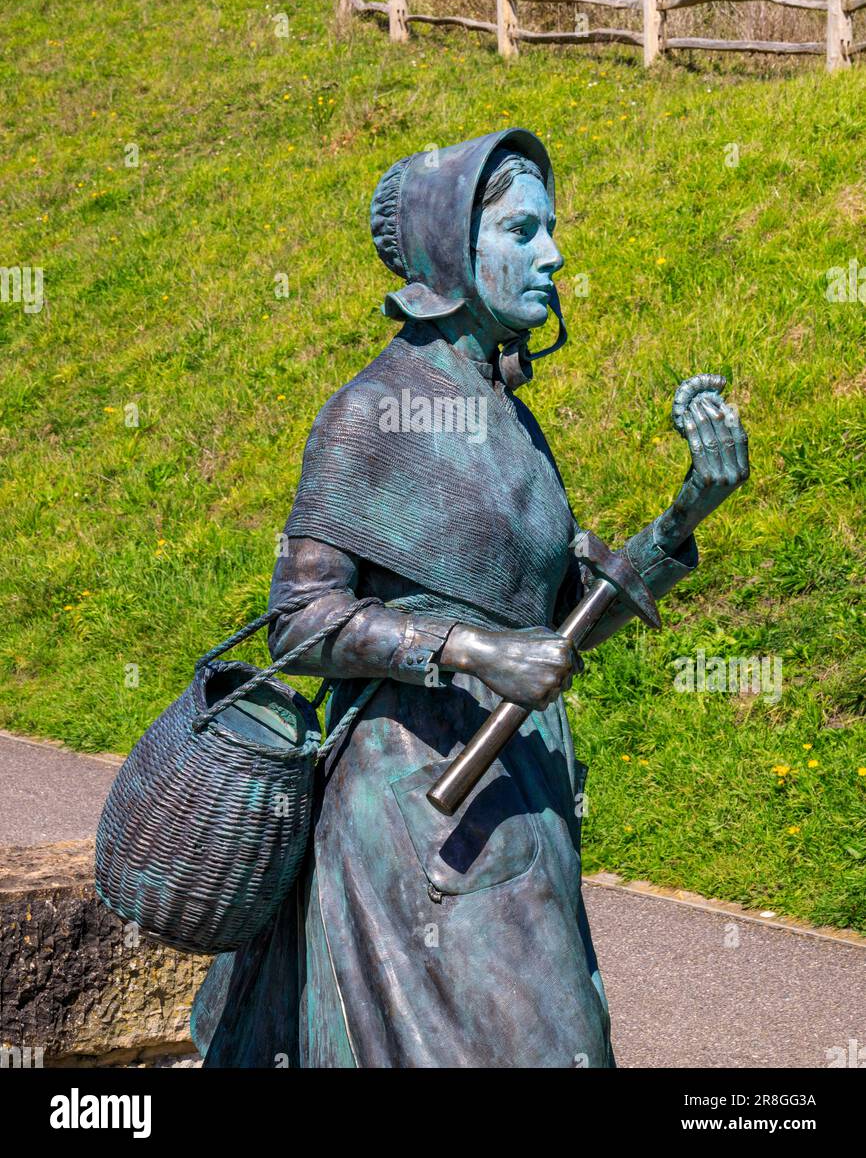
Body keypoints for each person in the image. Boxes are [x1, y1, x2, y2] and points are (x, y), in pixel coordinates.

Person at [190, 128, 749, 1068]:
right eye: (523, 230)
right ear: (455, 248)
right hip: (415, 814)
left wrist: (689, 510)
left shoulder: (512, 421)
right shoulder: (370, 411)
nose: (554, 254)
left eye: (551, 229)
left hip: (513, 796)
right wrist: (475, 651)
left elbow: (571, 620)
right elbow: (299, 625)